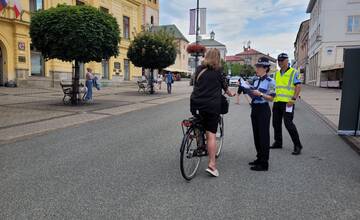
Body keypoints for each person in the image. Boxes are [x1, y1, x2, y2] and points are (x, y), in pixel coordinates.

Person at [190, 48, 235, 177]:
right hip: (212, 107)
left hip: (196, 104)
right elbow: (225, 88)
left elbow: (195, 85)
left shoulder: (199, 69)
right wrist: (231, 93)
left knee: (198, 123)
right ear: (218, 58)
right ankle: (212, 165)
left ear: (206, 56)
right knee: (211, 134)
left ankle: (200, 145)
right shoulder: (218, 71)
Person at [244, 57, 276, 171]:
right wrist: (247, 88)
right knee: (256, 135)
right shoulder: (256, 80)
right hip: (255, 108)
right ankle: (259, 157)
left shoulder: (271, 81)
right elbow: (252, 92)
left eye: (259, 66)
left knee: (263, 136)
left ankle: (264, 163)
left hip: (263, 109)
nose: (256, 68)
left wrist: (261, 95)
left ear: (265, 68)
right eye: (256, 66)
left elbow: (271, 98)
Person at [271, 53, 303, 155]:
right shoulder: (276, 74)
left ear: (287, 61)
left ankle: (298, 145)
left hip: (288, 103)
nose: (280, 63)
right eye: (279, 61)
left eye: (282, 60)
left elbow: (298, 86)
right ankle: (278, 142)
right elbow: (274, 87)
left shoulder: (294, 72)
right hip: (277, 102)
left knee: (288, 124)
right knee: (276, 123)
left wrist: (293, 99)